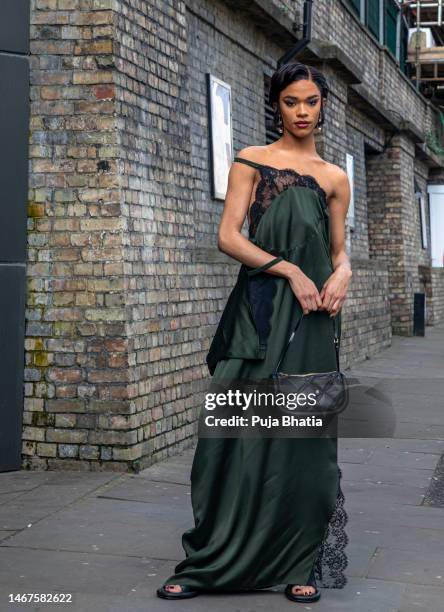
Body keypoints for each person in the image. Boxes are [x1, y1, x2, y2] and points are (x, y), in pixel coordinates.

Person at [157, 61, 352, 604]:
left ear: (323, 106)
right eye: (292, 102)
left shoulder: (336, 177)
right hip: (261, 311)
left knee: (306, 443)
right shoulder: (251, 160)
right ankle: (211, 560)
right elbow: (228, 236)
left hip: (315, 320)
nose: (303, 112)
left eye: (312, 101)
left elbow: (338, 251)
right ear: (277, 104)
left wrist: (344, 272)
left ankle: (299, 562)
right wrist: (287, 268)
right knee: (228, 435)